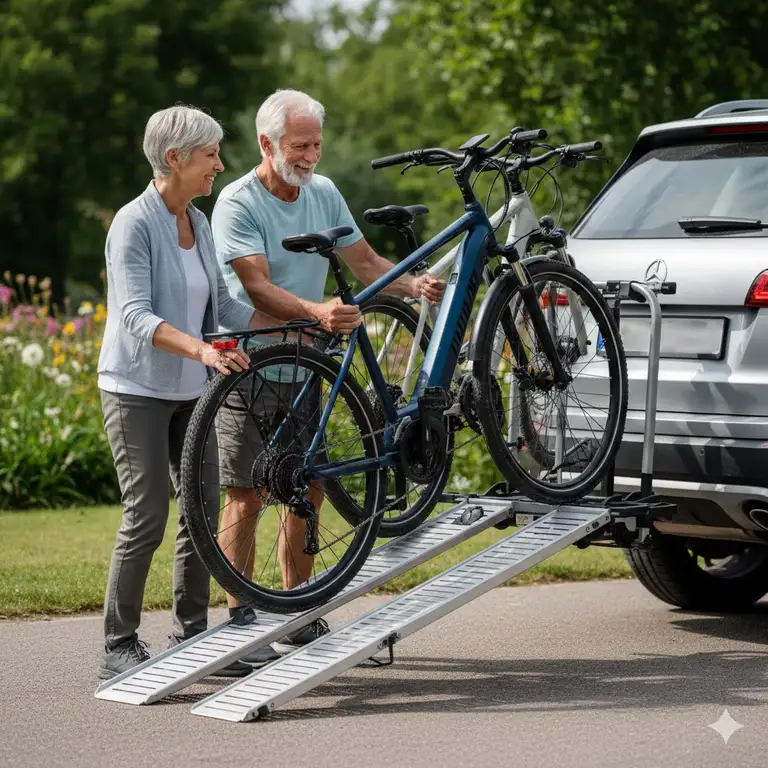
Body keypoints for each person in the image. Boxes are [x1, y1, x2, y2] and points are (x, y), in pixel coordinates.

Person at [211, 89, 444, 656]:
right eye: (299, 145)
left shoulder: (324, 192)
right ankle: (240, 616)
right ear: (267, 144)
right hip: (251, 363)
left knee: (306, 488)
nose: (311, 155)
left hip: (306, 365)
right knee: (245, 492)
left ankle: (299, 607)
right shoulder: (238, 203)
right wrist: (318, 313)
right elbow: (257, 286)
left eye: (316, 143)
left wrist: (412, 285)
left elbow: (364, 263)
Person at [97, 105, 262, 680]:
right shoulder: (132, 223)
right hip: (136, 389)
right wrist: (201, 351)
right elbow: (135, 317)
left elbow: (225, 305)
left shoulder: (201, 219)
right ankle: (118, 644)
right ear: (176, 158)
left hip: (192, 387)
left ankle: (191, 636)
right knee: (147, 514)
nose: (220, 164)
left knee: (201, 507)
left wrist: (297, 319)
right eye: (211, 154)